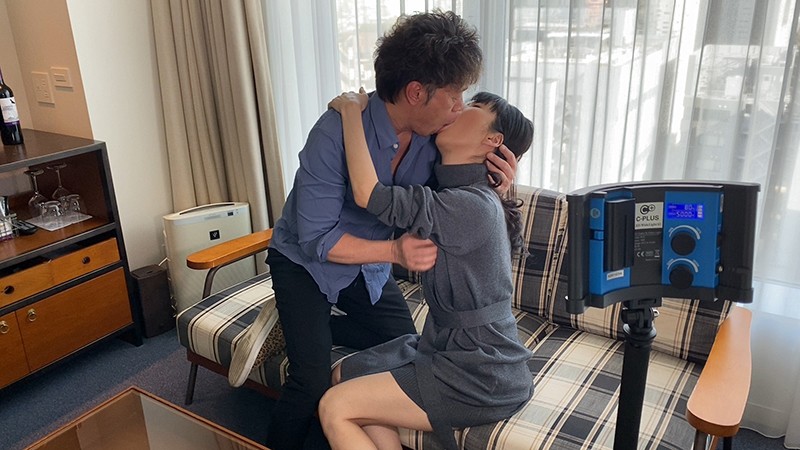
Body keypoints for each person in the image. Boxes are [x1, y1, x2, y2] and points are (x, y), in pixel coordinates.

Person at [227, 11, 517, 450]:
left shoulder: (434, 139)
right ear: (416, 92)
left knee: (404, 344)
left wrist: (498, 188)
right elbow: (318, 240)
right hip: (305, 263)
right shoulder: (334, 132)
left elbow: (456, 210)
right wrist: (395, 253)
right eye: (455, 94)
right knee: (310, 379)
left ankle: (295, 330)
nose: (459, 106)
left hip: (368, 267)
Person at [318, 89, 534, 450]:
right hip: (446, 348)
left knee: (334, 407)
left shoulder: (470, 204)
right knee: (342, 374)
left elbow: (367, 194)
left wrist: (350, 111)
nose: (459, 108)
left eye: (473, 106)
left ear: (492, 140)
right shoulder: (461, 193)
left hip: (480, 370)